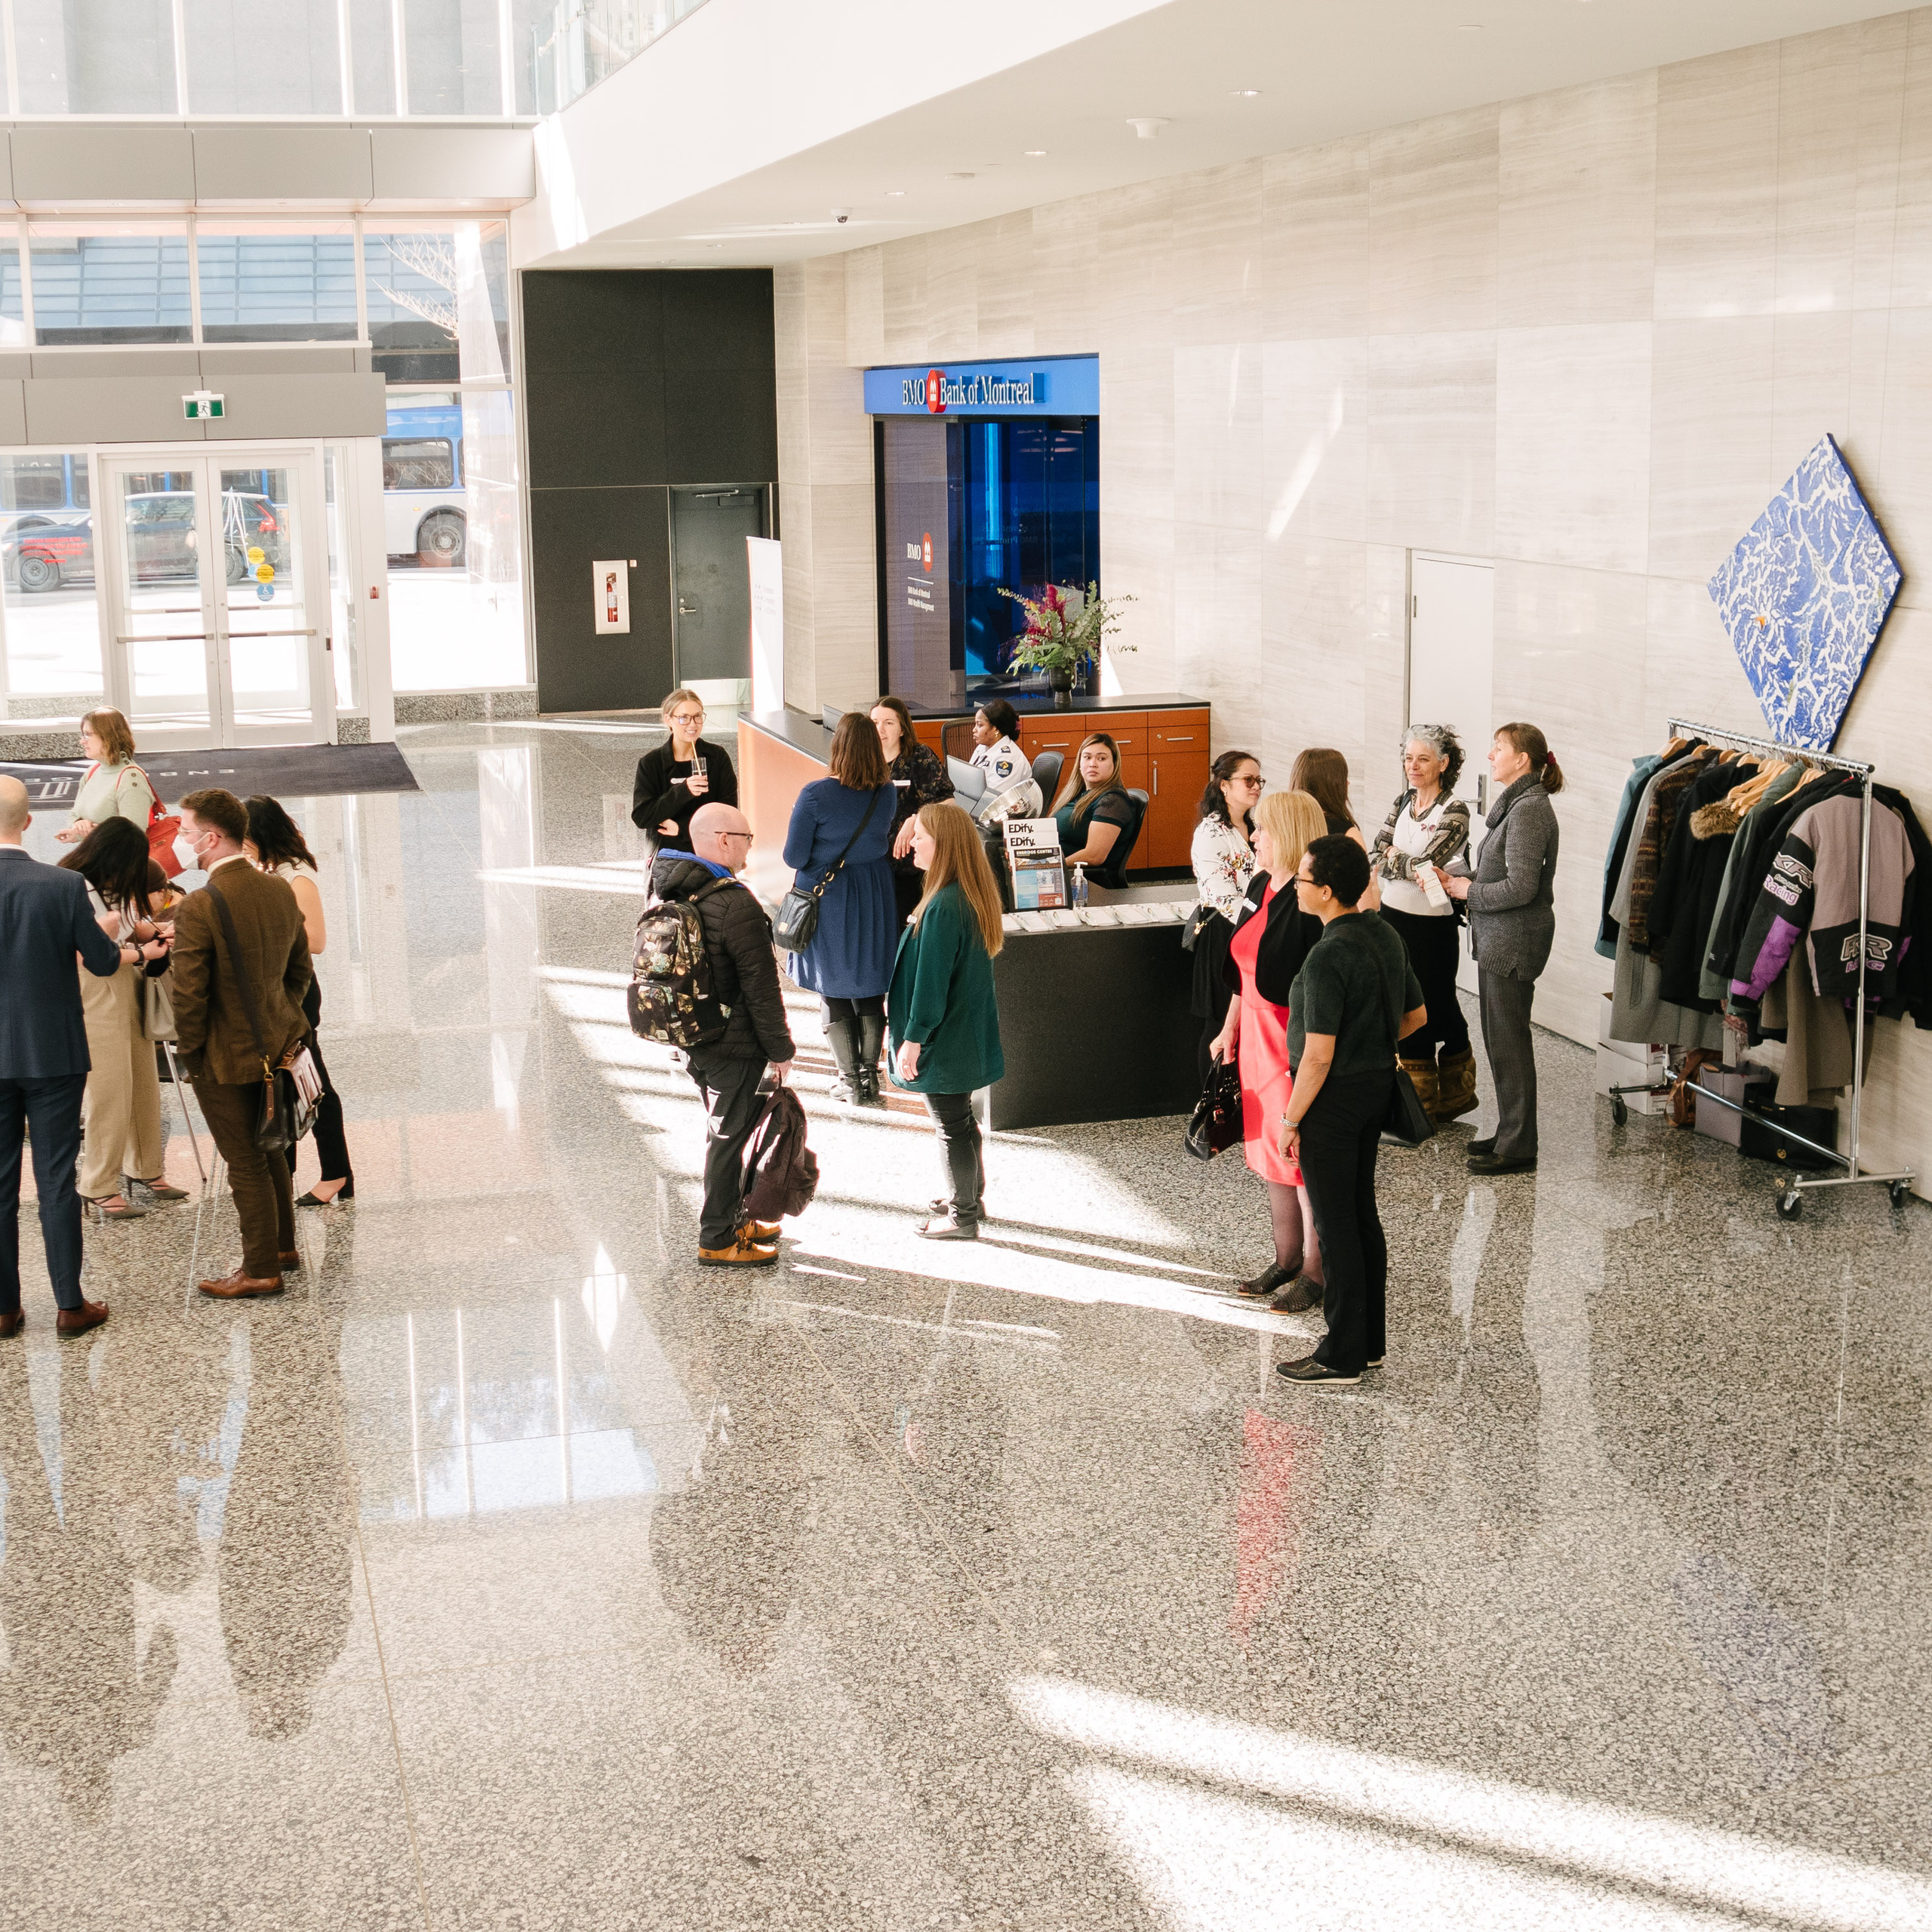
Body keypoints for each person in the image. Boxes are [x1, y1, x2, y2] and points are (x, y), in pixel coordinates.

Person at [0, 775, 157, 1340]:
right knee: (56, 1179)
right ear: (30, 821)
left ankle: (4, 1309)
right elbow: (101, 961)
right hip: (55, 1052)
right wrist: (115, 935)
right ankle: (70, 1304)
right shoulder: (62, 885)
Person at [1275, 834, 1427, 1387]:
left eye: (1303, 879)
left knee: (1335, 1225)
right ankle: (1369, 1343)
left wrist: (1291, 1120)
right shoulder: (1384, 934)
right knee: (1361, 1216)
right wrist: (1369, 1041)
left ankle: (1341, 1354)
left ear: (1327, 891)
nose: (1296, 886)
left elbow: (1318, 1056)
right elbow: (1416, 1016)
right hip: (1373, 1090)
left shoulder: (1326, 956)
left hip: (1332, 1101)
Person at [168, 789, 312, 1299]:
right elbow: (300, 971)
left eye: (185, 831)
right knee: (271, 1145)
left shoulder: (201, 905)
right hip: (276, 1044)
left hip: (223, 1056)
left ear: (211, 839)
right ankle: (283, 1247)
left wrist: (190, 1054)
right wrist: (279, 1012)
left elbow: (189, 994)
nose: (180, 840)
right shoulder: (278, 889)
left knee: (244, 1160)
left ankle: (259, 1269)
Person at [651, 801, 797, 1267]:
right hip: (733, 1046)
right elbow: (761, 987)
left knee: (726, 1130)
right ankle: (717, 1238)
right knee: (729, 1138)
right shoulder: (735, 903)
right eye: (746, 838)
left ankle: (734, 1219)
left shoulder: (670, 891)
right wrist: (781, 1049)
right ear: (722, 840)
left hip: (694, 1038)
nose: (750, 847)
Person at [1207, 789, 1329, 1304]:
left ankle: (1316, 1274)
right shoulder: (1261, 882)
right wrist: (1229, 1029)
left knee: (1297, 1157)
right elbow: (1243, 969)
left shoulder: (1309, 899)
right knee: (1268, 1153)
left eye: (1262, 829)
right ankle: (1286, 1258)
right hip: (1255, 1037)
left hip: (1289, 1039)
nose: (1253, 836)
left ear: (1289, 835)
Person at [1443, 723, 1564, 1176]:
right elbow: (1501, 876)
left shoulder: (1529, 810)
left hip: (1514, 940)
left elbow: (1521, 887)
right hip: (1500, 936)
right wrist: (1461, 879)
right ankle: (1512, 1131)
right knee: (1500, 1040)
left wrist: (1467, 891)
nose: (1491, 756)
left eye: (1499, 748)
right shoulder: (1519, 805)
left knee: (1510, 1042)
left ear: (1522, 759)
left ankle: (1519, 1146)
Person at [888, 802, 1005, 1240]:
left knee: (950, 1127)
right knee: (961, 1120)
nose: (913, 844)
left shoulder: (942, 906)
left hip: (944, 1036)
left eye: (920, 836)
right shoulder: (965, 894)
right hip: (963, 1031)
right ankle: (970, 1196)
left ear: (944, 845)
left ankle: (962, 1217)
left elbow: (930, 983)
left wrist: (913, 1038)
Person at [58, 819, 185, 1220]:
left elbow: (133, 927)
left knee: (143, 1082)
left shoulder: (113, 889)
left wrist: (161, 931)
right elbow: (84, 955)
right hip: (94, 990)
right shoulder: (76, 887)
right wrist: (144, 954)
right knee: (110, 1090)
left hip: (125, 982)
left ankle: (146, 1168)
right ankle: (98, 1184)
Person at [782, 712, 899, 1106]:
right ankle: (870, 1077)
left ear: (838, 747)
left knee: (832, 984)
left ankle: (849, 1081)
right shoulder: (886, 792)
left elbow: (794, 856)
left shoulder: (815, 794)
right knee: (869, 982)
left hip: (829, 896)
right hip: (874, 892)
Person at [245, 796, 355, 1208]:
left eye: (245, 837)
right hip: (279, 990)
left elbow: (317, 940)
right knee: (292, 1082)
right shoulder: (271, 870)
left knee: (313, 1084)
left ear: (261, 835)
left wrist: (265, 932)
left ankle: (336, 1174)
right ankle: (298, 1172)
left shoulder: (297, 876)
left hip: (298, 993)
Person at [1370, 725, 1476, 1122]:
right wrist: (1402, 861)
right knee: (1401, 1002)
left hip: (1432, 928)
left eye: (1423, 759)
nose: (1412, 766)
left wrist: (1396, 857)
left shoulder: (1455, 810)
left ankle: (1450, 1095)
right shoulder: (1402, 802)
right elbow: (1375, 852)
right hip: (1392, 919)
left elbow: (1427, 865)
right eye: (1408, 758)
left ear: (1443, 764)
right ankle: (1417, 1100)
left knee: (1435, 1003)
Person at [1189, 749, 1262, 1084]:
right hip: (1224, 931)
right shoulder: (1211, 832)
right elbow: (1223, 897)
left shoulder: (1254, 827)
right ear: (1224, 785)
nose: (1256, 786)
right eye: (1248, 780)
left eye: (1259, 780)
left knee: (1246, 1021)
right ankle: (1211, 1098)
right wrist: (1261, 922)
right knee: (1219, 1022)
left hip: (1253, 929)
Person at [870, 695, 955, 930]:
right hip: (874, 864)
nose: (880, 729)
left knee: (907, 931)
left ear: (902, 729)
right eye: (875, 722)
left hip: (910, 866)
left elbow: (948, 802)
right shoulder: (866, 760)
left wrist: (915, 820)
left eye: (888, 723)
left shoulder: (918, 756)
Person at [630, 688, 739, 851]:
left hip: (710, 849)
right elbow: (642, 816)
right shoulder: (651, 763)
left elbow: (728, 811)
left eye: (698, 716)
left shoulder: (717, 757)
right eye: (684, 718)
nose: (693, 724)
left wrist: (682, 829)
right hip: (667, 852)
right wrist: (683, 791)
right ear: (668, 719)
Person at [55, 706, 159, 848]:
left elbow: (134, 838)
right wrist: (79, 825)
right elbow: (74, 814)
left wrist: (93, 832)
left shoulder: (131, 779)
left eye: (88, 735)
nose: (82, 741)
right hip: (95, 855)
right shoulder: (93, 771)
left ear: (109, 737)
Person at [1051, 733, 1137, 874]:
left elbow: (1094, 856)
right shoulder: (1079, 793)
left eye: (1102, 758)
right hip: (1060, 871)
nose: (1093, 764)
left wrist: (1049, 867)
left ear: (1114, 764)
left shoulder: (1112, 801)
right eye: (1087, 757)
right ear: (1079, 763)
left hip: (1083, 879)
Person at [967, 700, 1041, 822]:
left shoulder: (1008, 759)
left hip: (1000, 819)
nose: (974, 730)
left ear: (996, 729)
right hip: (977, 810)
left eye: (980, 725)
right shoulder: (982, 747)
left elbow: (993, 802)